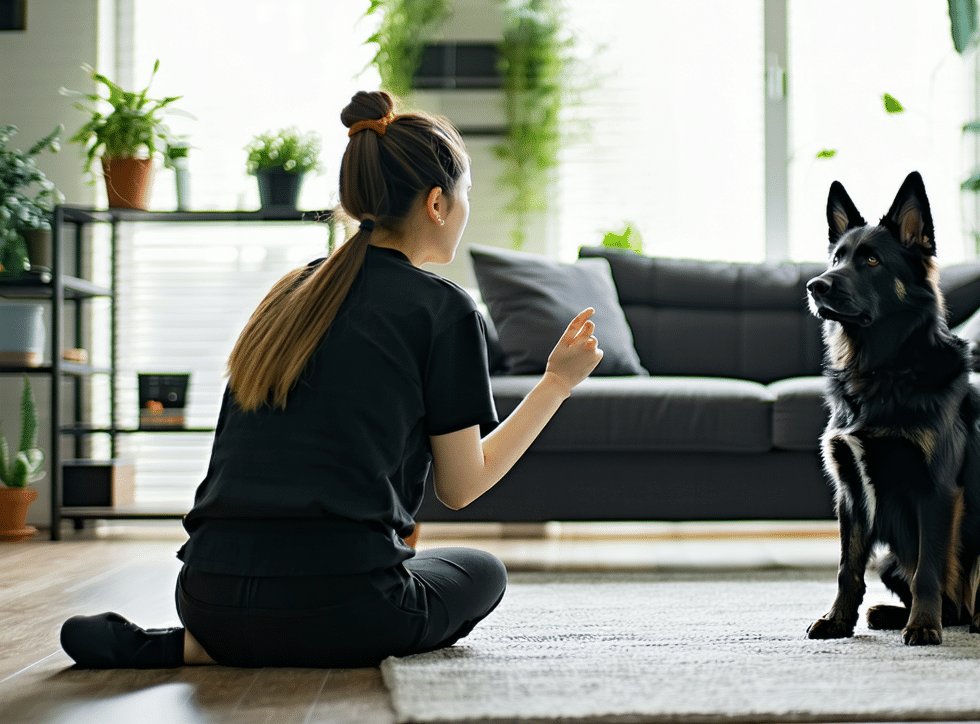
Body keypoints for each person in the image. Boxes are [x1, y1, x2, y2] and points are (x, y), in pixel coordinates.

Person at [59, 91, 604, 668]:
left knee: (340, 577)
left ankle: (196, 645)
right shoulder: (445, 310)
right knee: (483, 571)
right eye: (467, 195)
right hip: (347, 605)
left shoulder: (290, 295)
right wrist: (554, 384)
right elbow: (461, 486)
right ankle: (272, 636)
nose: (467, 211)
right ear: (438, 204)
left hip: (205, 596)